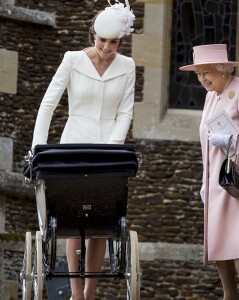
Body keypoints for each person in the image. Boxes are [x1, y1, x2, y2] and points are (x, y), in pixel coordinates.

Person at [31, 1, 136, 299]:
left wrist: (112, 148)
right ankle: (76, 292)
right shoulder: (72, 59)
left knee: (101, 221)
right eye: (101, 40)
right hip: (74, 142)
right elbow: (48, 104)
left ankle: (90, 292)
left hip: (108, 148)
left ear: (120, 40)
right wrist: (39, 148)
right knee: (73, 218)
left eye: (113, 42)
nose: (106, 47)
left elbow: (125, 113)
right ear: (93, 34)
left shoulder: (127, 66)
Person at [180, 44, 239, 300]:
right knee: (219, 236)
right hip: (216, 179)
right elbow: (206, 143)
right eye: (198, 75)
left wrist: (232, 140)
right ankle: (229, 295)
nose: (202, 79)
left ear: (222, 69)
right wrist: (204, 180)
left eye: (206, 73)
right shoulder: (212, 95)